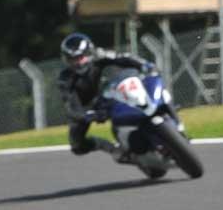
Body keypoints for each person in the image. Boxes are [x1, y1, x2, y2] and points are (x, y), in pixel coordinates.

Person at [57, 32, 157, 161]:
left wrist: (143, 65)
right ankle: (108, 147)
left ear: (89, 53)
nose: (77, 63)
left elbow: (123, 58)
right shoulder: (65, 78)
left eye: (80, 57)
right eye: (72, 59)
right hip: (87, 107)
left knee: (145, 96)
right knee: (77, 146)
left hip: (110, 93)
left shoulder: (100, 56)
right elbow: (70, 103)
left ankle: (172, 129)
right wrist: (85, 115)